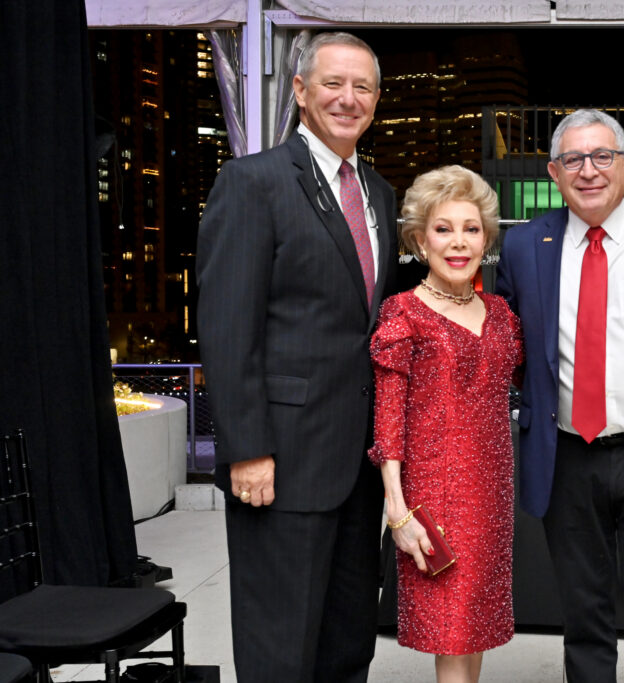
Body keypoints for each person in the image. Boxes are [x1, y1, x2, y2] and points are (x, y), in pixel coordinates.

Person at [196, 32, 397, 682]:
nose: (348, 97)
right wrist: (247, 448)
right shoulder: (252, 183)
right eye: (333, 83)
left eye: (362, 86)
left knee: (346, 645)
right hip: (279, 461)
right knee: (279, 647)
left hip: (359, 466)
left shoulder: (381, 194)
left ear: (375, 100)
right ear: (301, 93)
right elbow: (227, 327)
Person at [495, 109, 624, 682]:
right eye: (573, 159)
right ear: (554, 172)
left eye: (602, 156)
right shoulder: (522, 245)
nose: (588, 171)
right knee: (583, 615)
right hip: (565, 457)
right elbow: (507, 344)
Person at [368, 165, 522, 683]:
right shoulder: (403, 313)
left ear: (487, 239)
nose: (459, 242)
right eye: (443, 228)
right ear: (418, 239)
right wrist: (398, 511)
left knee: (474, 629)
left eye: (471, 228)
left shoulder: (500, 313)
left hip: (493, 494)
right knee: (452, 632)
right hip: (433, 496)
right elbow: (387, 423)